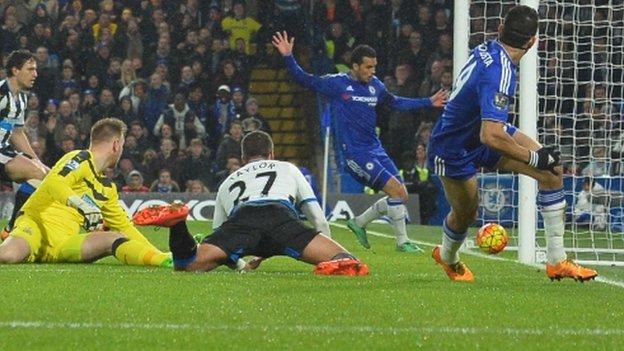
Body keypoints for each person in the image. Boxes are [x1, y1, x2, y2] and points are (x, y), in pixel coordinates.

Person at [427, 6, 597, 282]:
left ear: (500, 30)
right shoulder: (501, 73)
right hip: (454, 147)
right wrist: (532, 157)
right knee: (466, 214)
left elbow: (492, 129)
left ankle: (557, 261)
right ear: (532, 42)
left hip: (482, 130)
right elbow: (491, 136)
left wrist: (539, 156)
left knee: (552, 171)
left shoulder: (490, 49)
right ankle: (447, 257)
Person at [272, 31, 448, 253]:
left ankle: (359, 223)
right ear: (354, 66)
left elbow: (395, 102)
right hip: (356, 154)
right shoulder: (336, 84)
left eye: (374, 67)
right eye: (368, 67)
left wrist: (428, 101)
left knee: (401, 194)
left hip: (376, 149)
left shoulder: (376, 86)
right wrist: (288, 56)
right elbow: (304, 79)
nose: (372, 72)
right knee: (395, 191)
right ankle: (403, 242)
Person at [133, 131, 368, 276]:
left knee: (187, 265)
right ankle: (335, 263)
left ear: (244, 158)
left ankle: (178, 224)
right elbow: (316, 216)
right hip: (281, 220)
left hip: (241, 221)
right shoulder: (287, 168)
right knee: (347, 261)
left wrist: (241, 266)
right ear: (271, 154)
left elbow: (221, 239)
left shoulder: (228, 181)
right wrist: (322, 247)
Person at [0, 118, 171, 267]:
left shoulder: (107, 188)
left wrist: (158, 253)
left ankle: (162, 261)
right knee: (7, 256)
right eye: (122, 145)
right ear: (116, 144)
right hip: (36, 227)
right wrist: (82, 205)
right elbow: (55, 182)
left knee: (115, 237)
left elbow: (125, 227)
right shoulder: (79, 158)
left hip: (64, 244)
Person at [0, 50, 50, 240]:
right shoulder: (1, 93)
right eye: (30, 69)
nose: (35, 74)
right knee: (37, 173)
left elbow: (17, 133)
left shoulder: (21, 99)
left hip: (4, 151)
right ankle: (12, 228)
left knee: (42, 173)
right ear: (15, 70)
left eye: (35, 70)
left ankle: (12, 229)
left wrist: (36, 160)